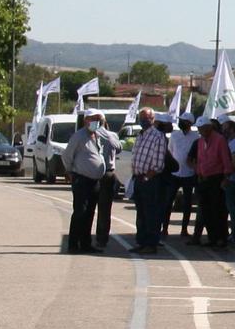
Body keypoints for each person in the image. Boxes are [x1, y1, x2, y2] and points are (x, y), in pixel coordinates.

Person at [64, 108, 123, 253]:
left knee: (90, 212)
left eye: (98, 120)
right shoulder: (79, 136)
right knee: (80, 212)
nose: (96, 122)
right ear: (86, 121)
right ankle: (73, 244)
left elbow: (114, 146)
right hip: (81, 179)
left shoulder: (97, 135)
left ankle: (85, 243)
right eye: (93, 119)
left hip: (95, 181)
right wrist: (69, 171)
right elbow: (67, 155)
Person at [130, 109, 174, 255]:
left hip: (150, 180)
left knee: (151, 214)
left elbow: (158, 164)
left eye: (146, 118)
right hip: (138, 178)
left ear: (153, 119)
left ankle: (151, 244)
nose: (143, 120)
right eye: (141, 117)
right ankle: (141, 242)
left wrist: (148, 177)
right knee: (141, 214)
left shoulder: (157, 136)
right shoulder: (140, 136)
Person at [193, 115, 232, 248]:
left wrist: (226, 177)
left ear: (209, 128)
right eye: (199, 129)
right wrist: (199, 173)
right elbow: (200, 159)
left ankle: (221, 238)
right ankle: (212, 238)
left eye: (202, 129)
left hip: (217, 178)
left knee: (218, 210)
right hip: (204, 179)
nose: (200, 131)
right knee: (206, 210)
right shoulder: (200, 141)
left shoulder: (219, 140)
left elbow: (225, 159)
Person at [168, 113, 199, 239]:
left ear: (190, 123)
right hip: (175, 173)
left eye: (184, 121)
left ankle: (184, 229)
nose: (181, 123)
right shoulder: (174, 136)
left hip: (189, 174)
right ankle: (164, 228)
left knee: (187, 203)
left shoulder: (196, 137)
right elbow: (170, 151)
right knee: (168, 201)